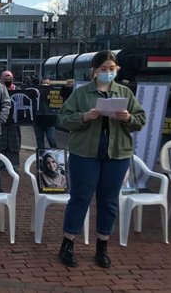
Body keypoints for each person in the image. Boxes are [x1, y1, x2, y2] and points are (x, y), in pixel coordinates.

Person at [57, 50, 146, 268]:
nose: (107, 73)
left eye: (111, 69)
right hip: (85, 153)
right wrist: (85, 117)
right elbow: (64, 118)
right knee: (80, 198)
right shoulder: (82, 93)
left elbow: (140, 120)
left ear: (117, 70)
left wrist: (128, 118)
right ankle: (68, 244)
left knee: (109, 200)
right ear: (94, 71)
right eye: (103, 69)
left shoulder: (124, 92)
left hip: (117, 154)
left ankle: (102, 245)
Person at [0, 71, 22, 169]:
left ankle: (13, 165)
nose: (8, 80)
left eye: (10, 79)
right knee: (1, 143)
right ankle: (1, 164)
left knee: (14, 143)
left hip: (14, 122)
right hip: (2, 121)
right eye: (6, 79)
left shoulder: (17, 89)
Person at [34, 78, 59, 149]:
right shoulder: (37, 94)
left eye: (47, 83)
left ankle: (55, 156)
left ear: (50, 84)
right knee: (40, 141)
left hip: (50, 122)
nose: (45, 85)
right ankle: (42, 157)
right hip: (38, 122)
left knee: (52, 140)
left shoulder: (53, 94)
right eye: (43, 83)